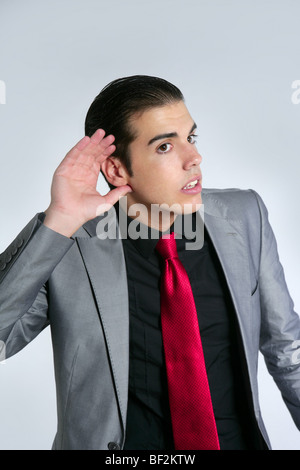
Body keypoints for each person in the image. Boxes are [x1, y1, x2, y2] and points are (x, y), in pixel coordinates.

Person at [0, 75, 299, 450]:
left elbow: (287, 348)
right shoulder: (66, 244)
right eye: (164, 146)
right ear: (116, 170)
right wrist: (58, 220)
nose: (194, 158)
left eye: (190, 138)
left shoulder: (245, 216)